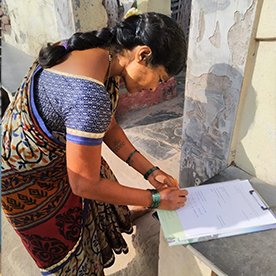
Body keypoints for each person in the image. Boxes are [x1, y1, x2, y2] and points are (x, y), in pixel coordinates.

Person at [1, 12, 188, 276]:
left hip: (49, 156)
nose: (155, 88)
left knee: (97, 184)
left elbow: (110, 128)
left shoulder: (98, 55)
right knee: (71, 256)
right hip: (28, 181)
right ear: (143, 54)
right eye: (159, 78)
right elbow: (84, 184)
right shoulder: (88, 96)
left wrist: (151, 172)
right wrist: (155, 199)